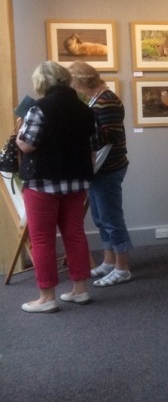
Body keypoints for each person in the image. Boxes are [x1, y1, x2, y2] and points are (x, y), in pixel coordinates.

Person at [15, 61, 96, 312]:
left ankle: (46, 297)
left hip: (42, 182)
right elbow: (92, 147)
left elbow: (27, 145)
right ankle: (80, 290)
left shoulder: (39, 108)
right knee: (75, 234)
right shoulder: (85, 110)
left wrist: (19, 134)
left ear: (42, 83)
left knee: (42, 239)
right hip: (77, 181)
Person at [69, 61, 132, 287]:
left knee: (111, 218)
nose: (72, 88)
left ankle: (122, 268)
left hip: (108, 167)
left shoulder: (106, 101)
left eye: (73, 83)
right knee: (100, 218)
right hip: (101, 168)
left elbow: (111, 136)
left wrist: (80, 133)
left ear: (80, 81)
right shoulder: (98, 99)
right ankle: (109, 261)